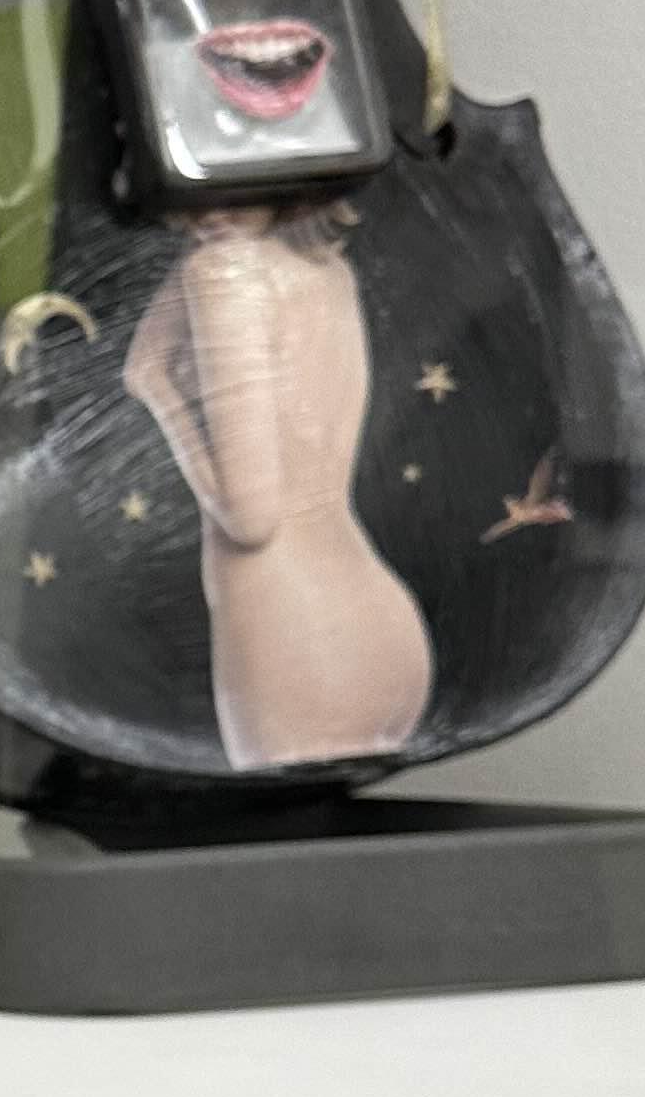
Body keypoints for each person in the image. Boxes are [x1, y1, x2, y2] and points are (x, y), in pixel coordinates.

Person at [122, 200, 432, 769]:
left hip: (297, 636)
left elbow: (249, 520)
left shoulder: (223, 273)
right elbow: (150, 359)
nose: (213, 205)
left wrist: (161, 398)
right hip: (378, 619)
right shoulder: (327, 269)